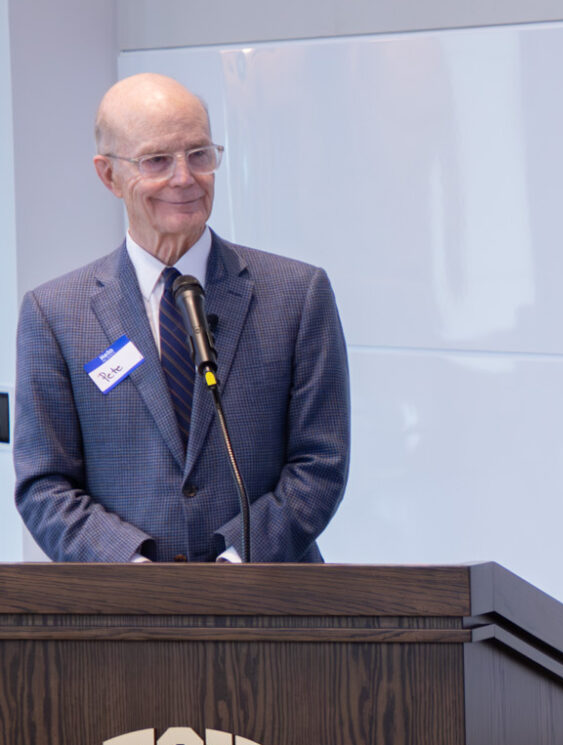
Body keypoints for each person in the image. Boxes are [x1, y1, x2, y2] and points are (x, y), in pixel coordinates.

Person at [14, 73, 349, 563]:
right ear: (109, 176)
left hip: (270, 608)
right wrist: (133, 570)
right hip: (127, 618)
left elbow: (321, 463)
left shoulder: (297, 295)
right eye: (157, 160)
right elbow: (44, 483)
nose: (184, 178)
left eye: (199, 155)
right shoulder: (55, 314)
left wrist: (236, 563)